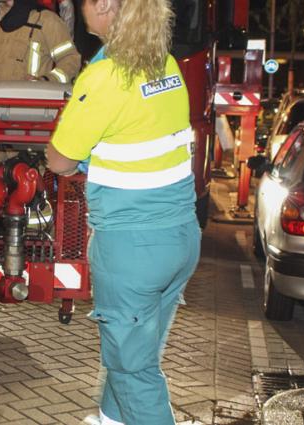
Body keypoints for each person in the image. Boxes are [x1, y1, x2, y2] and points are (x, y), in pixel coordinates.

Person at [46, 0, 201, 423]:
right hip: (181, 237)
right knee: (135, 353)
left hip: (132, 249)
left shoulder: (104, 76)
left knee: (133, 369)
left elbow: (59, 160)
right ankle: (110, 419)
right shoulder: (164, 65)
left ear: (105, 6)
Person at [0, 0, 81, 178]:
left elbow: (71, 60)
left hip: (28, 126)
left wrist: (47, 82)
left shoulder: (45, 21)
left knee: (25, 187)